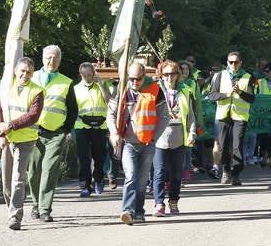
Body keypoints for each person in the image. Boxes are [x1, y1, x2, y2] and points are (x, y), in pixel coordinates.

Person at [108, 62, 168, 225]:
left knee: (142, 181)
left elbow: (164, 116)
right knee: (131, 176)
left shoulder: (156, 89)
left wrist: (154, 138)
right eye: (132, 79)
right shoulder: (121, 89)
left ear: (144, 76)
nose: (135, 82)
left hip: (148, 144)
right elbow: (111, 114)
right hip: (128, 143)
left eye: (138, 79)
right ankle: (127, 211)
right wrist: (114, 133)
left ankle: (139, 212)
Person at [0, 57, 44, 230]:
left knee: (17, 179)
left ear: (32, 73)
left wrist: (11, 125)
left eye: (29, 72)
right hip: (6, 139)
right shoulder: (6, 87)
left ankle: (15, 216)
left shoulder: (37, 91)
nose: (25, 74)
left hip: (26, 140)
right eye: (22, 71)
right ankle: (11, 209)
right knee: (6, 182)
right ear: (15, 71)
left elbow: (33, 115)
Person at [28, 45, 78, 222]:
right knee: (33, 172)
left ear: (60, 60)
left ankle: (45, 209)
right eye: (49, 57)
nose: (52, 61)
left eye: (56, 58)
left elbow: (73, 109)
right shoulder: (31, 77)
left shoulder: (66, 82)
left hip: (56, 133)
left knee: (49, 170)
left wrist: (66, 130)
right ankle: (35, 204)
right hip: (33, 132)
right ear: (42, 58)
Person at [153, 61, 197, 217]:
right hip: (160, 137)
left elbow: (191, 115)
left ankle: (173, 201)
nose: (169, 77)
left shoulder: (185, 91)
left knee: (176, 174)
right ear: (161, 75)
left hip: (179, 137)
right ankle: (159, 203)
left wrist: (192, 132)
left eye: (172, 74)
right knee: (159, 172)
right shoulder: (156, 91)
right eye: (166, 74)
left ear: (178, 75)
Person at [205, 52, 254, 185]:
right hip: (223, 116)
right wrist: (227, 94)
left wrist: (240, 92)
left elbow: (252, 98)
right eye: (231, 62)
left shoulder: (247, 76)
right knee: (224, 146)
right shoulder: (219, 75)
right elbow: (212, 95)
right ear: (227, 63)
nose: (234, 65)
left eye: (236, 62)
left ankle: (236, 174)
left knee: (237, 146)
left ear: (241, 63)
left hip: (240, 116)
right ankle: (226, 170)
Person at [73, 62, 112, 197]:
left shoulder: (101, 86)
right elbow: (72, 110)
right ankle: (85, 185)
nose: (88, 78)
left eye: (90, 75)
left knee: (99, 157)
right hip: (81, 127)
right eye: (85, 76)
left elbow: (109, 101)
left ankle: (99, 179)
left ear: (94, 74)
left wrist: (101, 84)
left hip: (100, 126)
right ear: (80, 75)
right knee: (84, 158)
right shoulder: (75, 89)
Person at [179, 61, 204, 177]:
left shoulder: (193, 83)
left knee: (188, 146)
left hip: (190, 116)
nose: (185, 71)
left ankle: (186, 170)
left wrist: (199, 121)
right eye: (182, 69)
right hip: (178, 118)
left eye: (187, 69)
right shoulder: (175, 83)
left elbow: (198, 103)